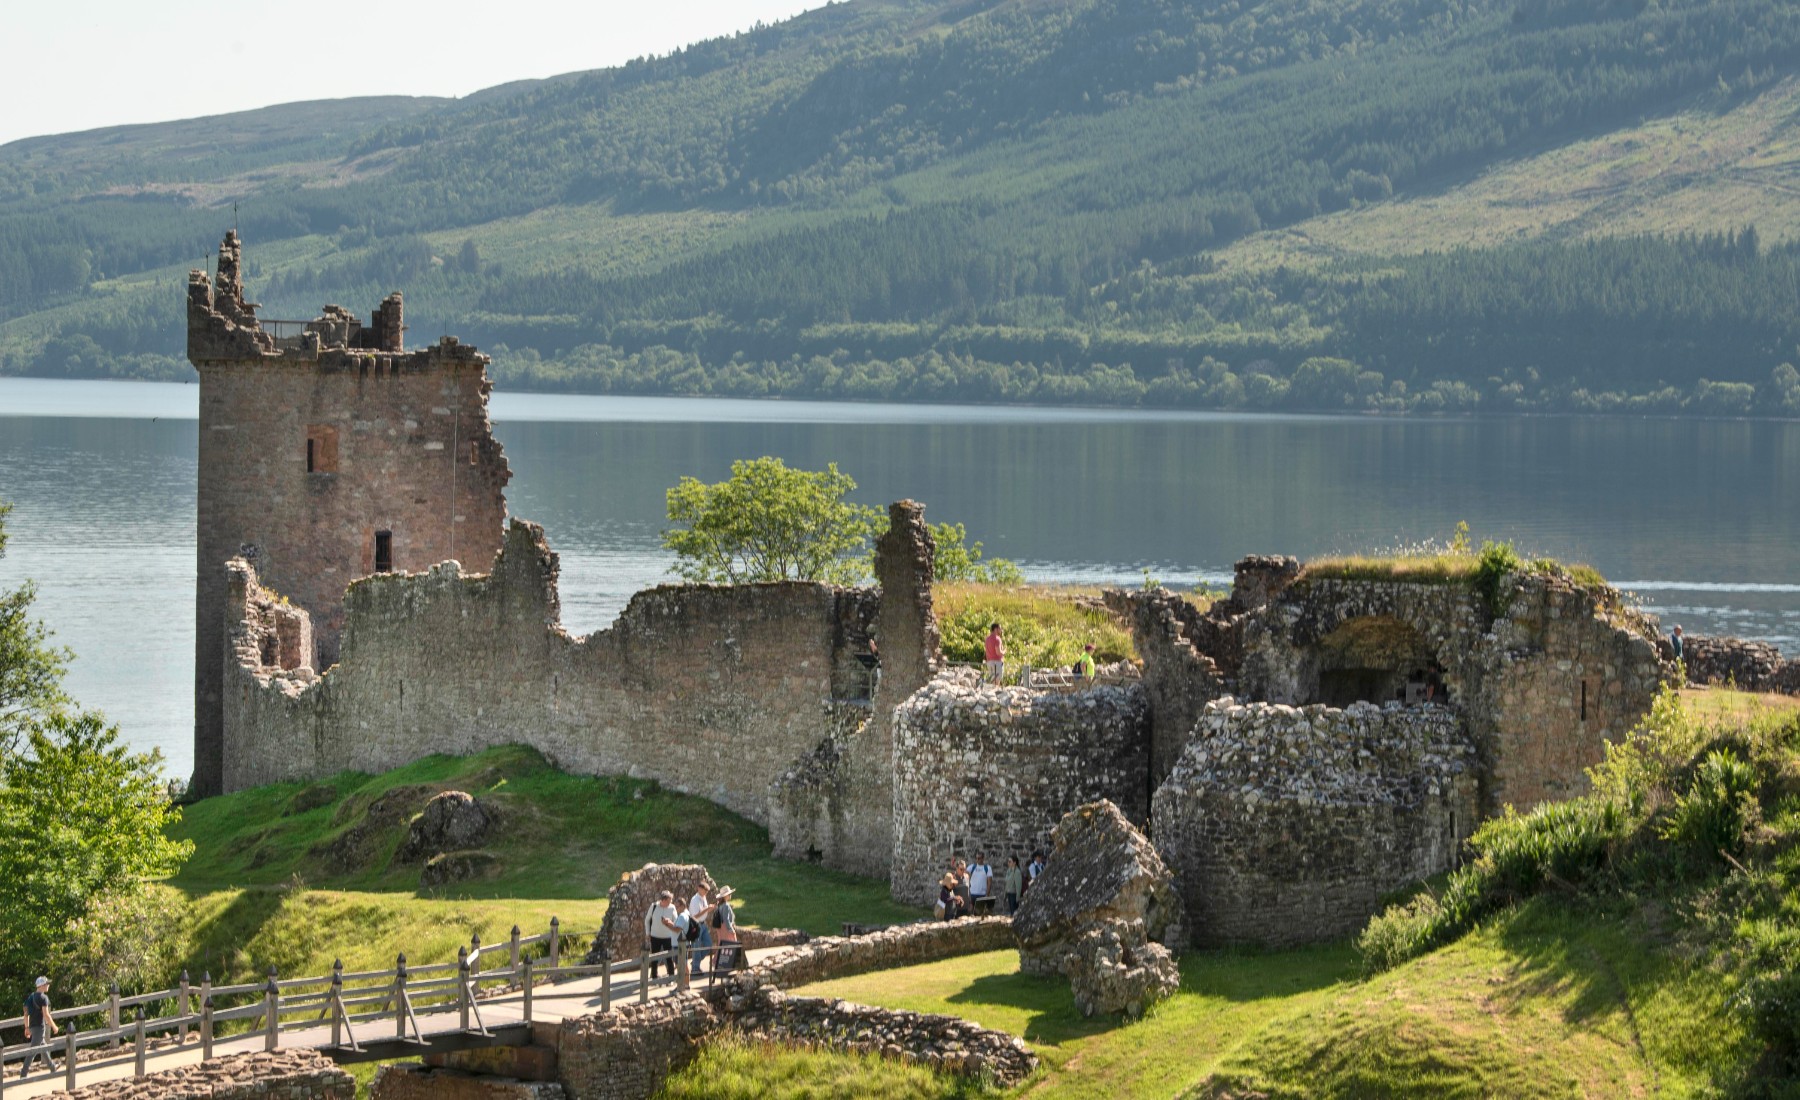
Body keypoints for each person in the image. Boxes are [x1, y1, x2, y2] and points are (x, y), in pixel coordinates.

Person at [20, 975, 58, 1078]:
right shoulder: (43, 998)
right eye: (47, 983)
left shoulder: (30, 997)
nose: (48, 985)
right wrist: (54, 1026)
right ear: (42, 985)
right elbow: (46, 1015)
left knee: (43, 1047)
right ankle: (23, 1073)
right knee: (32, 1051)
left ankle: (52, 1067)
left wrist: (27, 1028)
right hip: (39, 1027)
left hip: (32, 1027)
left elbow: (25, 1014)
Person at [644, 890, 683, 980]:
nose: (670, 902)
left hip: (668, 936)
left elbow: (676, 922)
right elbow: (647, 920)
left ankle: (671, 976)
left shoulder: (672, 908)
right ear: (663, 900)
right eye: (669, 900)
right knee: (654, 957)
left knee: (669, 957)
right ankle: (654, 976)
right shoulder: (654, 906)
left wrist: (669, 922)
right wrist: (648, 933)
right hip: (655, 936)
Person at [687, 885, 717, 977]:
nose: (706, 893)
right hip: (695, 924)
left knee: (709, 944)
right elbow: (695, 916)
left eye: (707, 891)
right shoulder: (694, 900)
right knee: (696, 947)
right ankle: (695, 968)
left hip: (703, 924)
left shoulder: (703, 897)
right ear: (699, 888)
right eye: (705, 890)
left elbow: (703, 912)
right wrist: (707, 909)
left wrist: (709, 909)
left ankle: (696, 962)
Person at [710, 885, 740, 975]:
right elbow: (726, 920)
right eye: (729, 894)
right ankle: (725, 964)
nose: (730, 895)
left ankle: (716, 962)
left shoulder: (720, 906)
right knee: (731, 944)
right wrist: (731, 930)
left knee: (722, 945)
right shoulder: (726, 906)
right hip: (725, 928)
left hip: (720, 928)